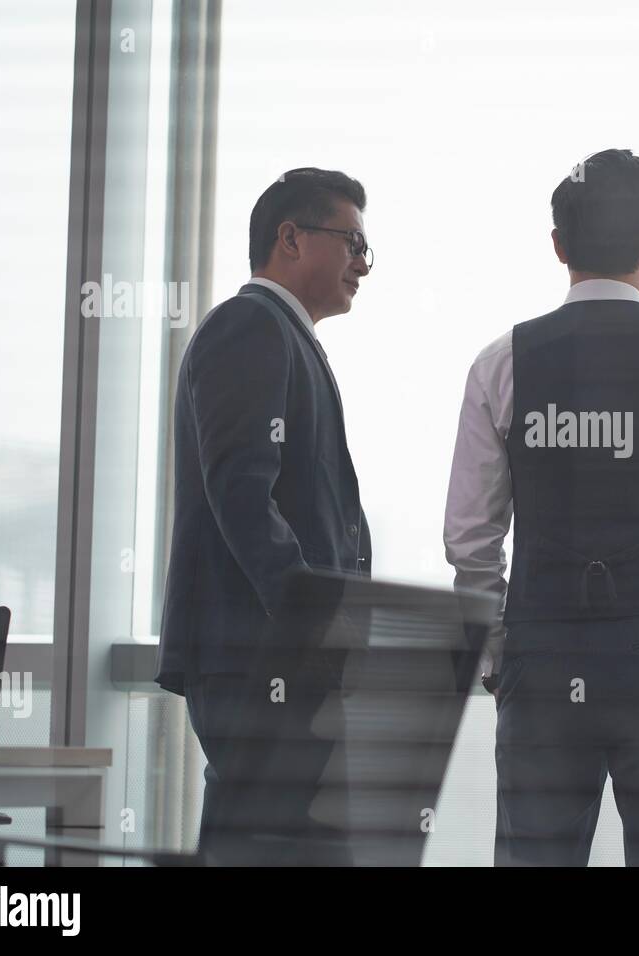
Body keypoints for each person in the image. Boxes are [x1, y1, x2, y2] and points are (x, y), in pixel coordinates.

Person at [443, 148, 639, 866]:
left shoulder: (501, 363)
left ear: (558, 246)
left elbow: (470, 538)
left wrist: (501, 656)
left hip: (542, 662)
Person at [156, 167, 374, 862]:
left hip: (272, 656)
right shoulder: (250, 326)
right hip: (257, 656)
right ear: (291, 237)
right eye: (352, 242)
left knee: (272, 845)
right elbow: (243, 495)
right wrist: (320, 618)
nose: (362, 264)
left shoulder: (284, 336)